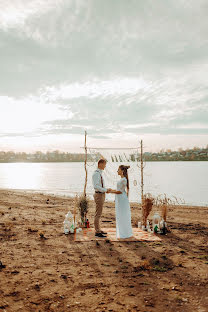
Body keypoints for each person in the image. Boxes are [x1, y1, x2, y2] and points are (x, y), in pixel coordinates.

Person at [108, 165, 133, 239]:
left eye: (118, 169)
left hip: (122, 199)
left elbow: (120, 191)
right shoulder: (122, 179)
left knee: (122, 215)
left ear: (122, 171)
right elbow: (118, 190)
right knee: (120, 215)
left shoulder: (124, 180)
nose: (117, 171)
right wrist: (111, 190)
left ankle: (124, 233)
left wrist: (110, 191)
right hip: (119, 198)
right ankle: (122, 231)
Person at [92, 159, 111, 238]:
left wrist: (106, 189)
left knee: (99, 213)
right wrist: (105, 190)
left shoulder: (99, 173)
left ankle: (98, 229)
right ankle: (97, 232)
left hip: (101, 194)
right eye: (104, 164)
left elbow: (100, 185)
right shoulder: (96, 174)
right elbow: (96, 186)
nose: (105, 166)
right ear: (100, 164)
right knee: (98, 213)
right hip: (99, 195)